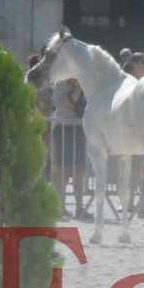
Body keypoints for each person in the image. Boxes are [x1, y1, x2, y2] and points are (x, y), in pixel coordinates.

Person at [53, 79, 90, 220]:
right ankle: (60, 208)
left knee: (79, 171)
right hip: (63, 129)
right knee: (61, 172)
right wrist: (79, 86)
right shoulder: (60, 84)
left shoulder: (80, 85)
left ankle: (79, 208)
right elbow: (68, 102)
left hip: (79, 130)